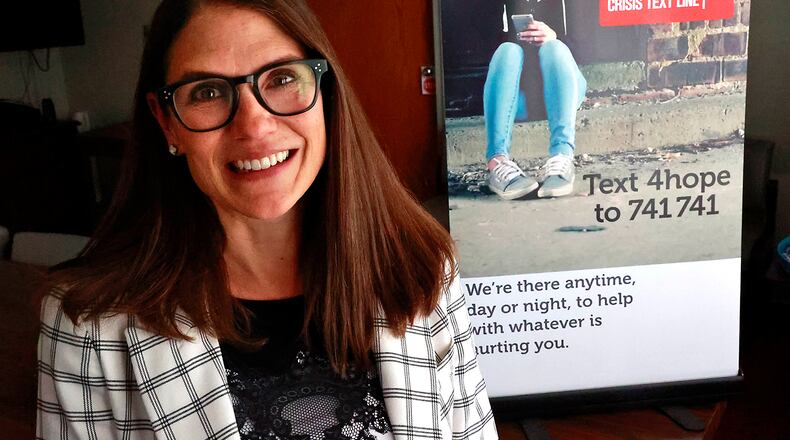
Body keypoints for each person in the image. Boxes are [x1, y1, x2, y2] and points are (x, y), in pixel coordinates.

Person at [36, 1, 497, 439]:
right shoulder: (87, 324)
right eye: (208, 92)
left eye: (280, 78)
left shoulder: (424, 267)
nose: (254, 126)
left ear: (325, 91)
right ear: (167, 122)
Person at [485, 0, 587, 199]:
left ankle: (562, 155)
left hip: (563, 92)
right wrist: (516, 40)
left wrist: (553, 36)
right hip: (519, 98)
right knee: (507, 51)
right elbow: (488, 56)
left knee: (554, 48)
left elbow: (589, 50)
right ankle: (497, 162)